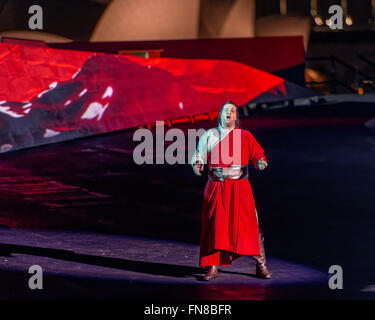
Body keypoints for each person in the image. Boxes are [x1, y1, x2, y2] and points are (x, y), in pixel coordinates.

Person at [191, 101, 271, 280]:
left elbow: (257, 153)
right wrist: (197, 164)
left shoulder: (245, 136)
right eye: (226, 110)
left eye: (233, 111)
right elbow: (199, 155)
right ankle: (212, 267)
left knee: (249, 225)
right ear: (220, 114)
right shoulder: (209, 135)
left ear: (236, 116)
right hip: (216, 186)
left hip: (240, 188)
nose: (229, 113)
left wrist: (260, 161)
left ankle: (261, 264)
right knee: (215, 225)